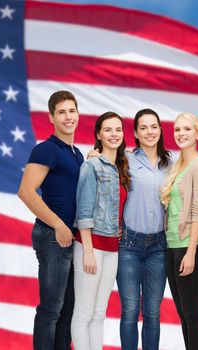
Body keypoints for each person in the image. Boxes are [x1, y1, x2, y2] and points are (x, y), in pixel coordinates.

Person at [17, 91, 83, 350]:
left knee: (67, 310)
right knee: (51, 310)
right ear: (51, 118)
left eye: (72, 111)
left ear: (78, 114)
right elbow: (26, 192)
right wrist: (58, 225)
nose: (68, 117)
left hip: (71, 238)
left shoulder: (76, 153)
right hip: (52, 236)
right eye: (62, 112)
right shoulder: (46, 149)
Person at [72, 111, 131, 350]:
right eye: (108, 130)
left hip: (112, 248)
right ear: (98, 134)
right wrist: (87, 250)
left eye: (118, 129)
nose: (114, 134)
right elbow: (84, 212)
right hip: (91, 246)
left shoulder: (122, 168)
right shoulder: (91, 166)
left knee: (99, 312)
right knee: (84, 311)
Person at [117, 109, 171, 350]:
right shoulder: (125, 160)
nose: (150, 132)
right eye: (144, 128)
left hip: (159, 247)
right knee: (129, 311)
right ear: (136, 133)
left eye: (154, 127)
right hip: (128, 245)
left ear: (160, 130)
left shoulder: (171, 164)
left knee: (152, 312)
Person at [161, 112, 198, 350]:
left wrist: (190, 253)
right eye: (178, 130)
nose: (181, 134)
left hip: (189, 246)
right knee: (182, 311)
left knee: (191, 311)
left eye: (187, 129)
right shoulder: (177, 165)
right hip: (171, 246)